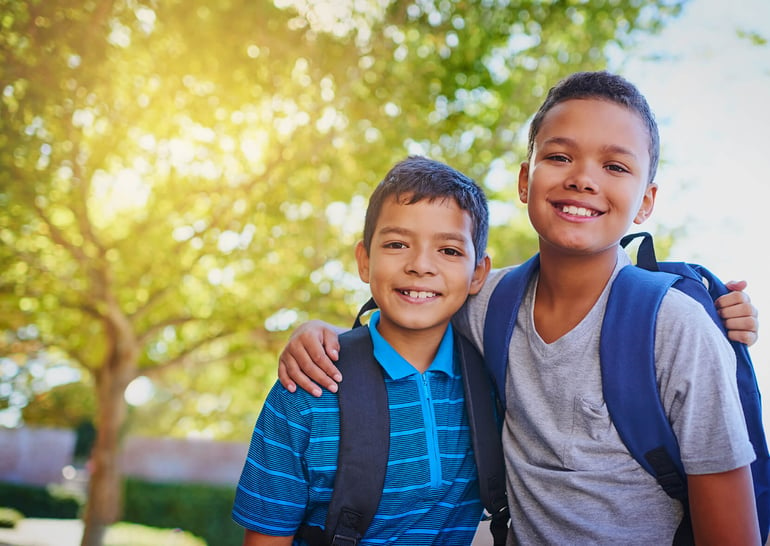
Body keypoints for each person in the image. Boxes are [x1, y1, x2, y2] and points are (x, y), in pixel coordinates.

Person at [277, 71, 762, 543]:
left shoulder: (676, 329)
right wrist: (321, 331)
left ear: (645, 203)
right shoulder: (488, 304)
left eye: (615, 166)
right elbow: (407, 314)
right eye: (559, 156)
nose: (583, 179)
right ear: (525, 181)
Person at [232, 156, 497, 545]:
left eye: (450, 251)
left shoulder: (494, 378)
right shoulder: (308, 388)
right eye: (397, 244)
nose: (421, 265)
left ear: (478, 273)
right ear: (364, 260)